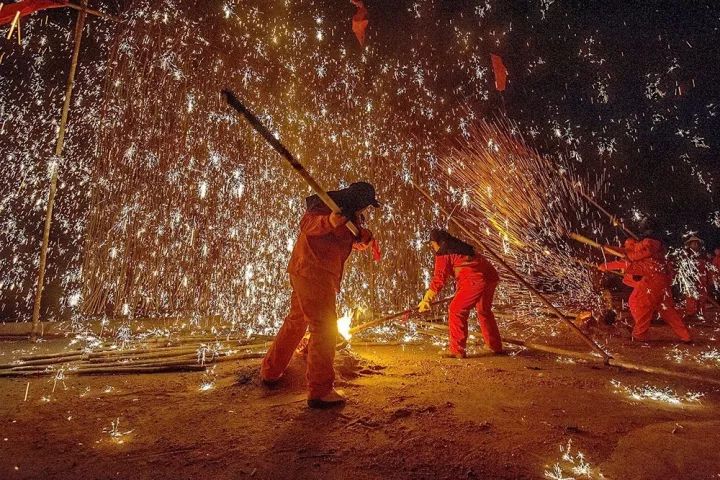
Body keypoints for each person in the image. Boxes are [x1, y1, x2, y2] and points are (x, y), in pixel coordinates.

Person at [260, 182, 380, 408]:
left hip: (306, 272)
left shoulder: (349, 215)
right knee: (324, 328)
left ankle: (270, 370)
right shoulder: (326, 206)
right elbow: (307, 224)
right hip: (313, 272)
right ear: (358, 201)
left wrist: (363, 237)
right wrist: (330, 221)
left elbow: (349, 238)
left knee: (297, 321)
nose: (365, 211)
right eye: (365, 206)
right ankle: (320, 390)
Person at [418, 229, 502, 358]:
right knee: (483, 310)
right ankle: (494, 346)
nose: (432, 247)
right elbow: (466, 271)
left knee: (456, 309)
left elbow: (439, 278)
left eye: (432, 244)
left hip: (475, 280)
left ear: (437, 242)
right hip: (490, 277)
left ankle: (457, 350)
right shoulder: (461, 246)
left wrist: (427, 299)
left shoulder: (443, 253)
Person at [599, 236, 691, 343]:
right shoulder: (659, 259)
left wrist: (605, 266)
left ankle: (639, 334)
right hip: (664, 291)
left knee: (638, 304)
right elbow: (627, 252)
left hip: (651, 289)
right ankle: (685, 336)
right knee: (669, 313)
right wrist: (606, 248)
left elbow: (628, 263)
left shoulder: (649, 261)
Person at [682, 236, 710, 319]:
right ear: (690, 244)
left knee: (701, 297)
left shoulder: (703, 255)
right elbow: (684, 268)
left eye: (696, 243)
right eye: (693, 243)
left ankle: (700, 313)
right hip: (690, 278)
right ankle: (691, 313)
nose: (695, 244)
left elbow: (708, 267)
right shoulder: (686, 255)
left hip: (701, 278)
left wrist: (708, 278)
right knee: (691, 296)